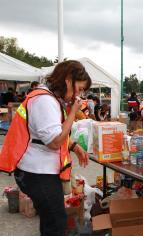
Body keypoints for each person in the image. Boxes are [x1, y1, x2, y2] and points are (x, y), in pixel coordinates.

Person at [0, 60, 91, 236]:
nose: (77, 96)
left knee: (51, 220)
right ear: (68, 80)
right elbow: (54, 141)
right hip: (37, 173)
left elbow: (47, 133)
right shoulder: (44, 101)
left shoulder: (50, 99)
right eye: (79, 89)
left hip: (40, 171)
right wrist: (73, 112)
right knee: (56, 223)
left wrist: (73, 145)